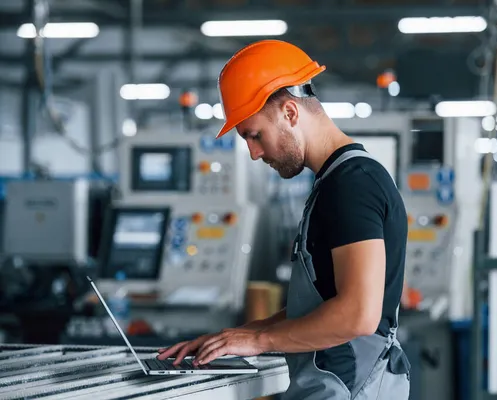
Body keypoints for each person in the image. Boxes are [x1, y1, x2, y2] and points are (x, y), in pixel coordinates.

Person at [157, 39, 411, 399]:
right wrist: (237, 336)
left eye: (255, 135)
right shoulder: (335, 181)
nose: (254, 153)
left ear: (291, 113)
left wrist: (259, 340)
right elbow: (322, 303)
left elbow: (358, 315)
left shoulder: (352, 185)